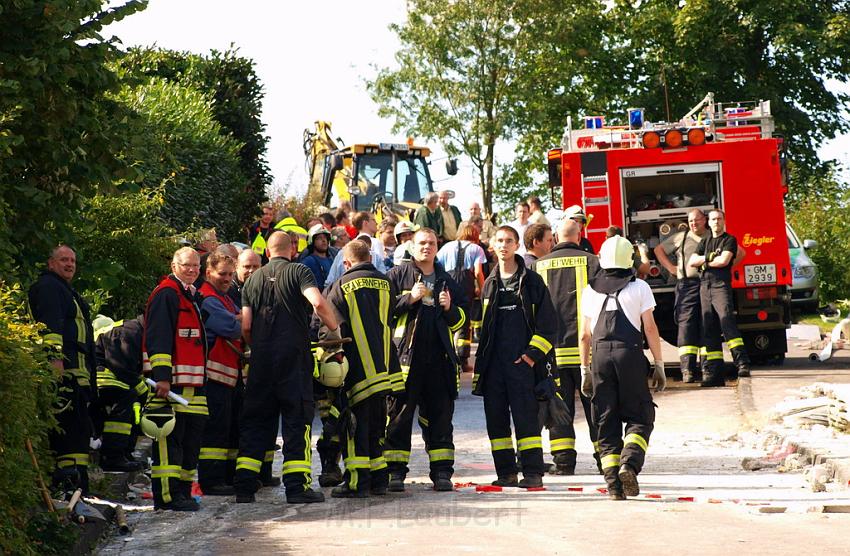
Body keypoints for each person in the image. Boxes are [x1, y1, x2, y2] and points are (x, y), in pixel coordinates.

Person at [235, 231, 340, 504]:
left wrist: (256, 345)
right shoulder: (299, 271)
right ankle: (296, 487)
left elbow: (245, 325)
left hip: (261, 362)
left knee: (256, 421)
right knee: (296, 421)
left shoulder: (251, 280)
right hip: (293, 360)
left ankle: (245, 486)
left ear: (267, 252)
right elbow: (317, 302)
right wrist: (334, 326)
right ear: (292, 249)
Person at [578, 235, 665, 500]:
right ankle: (630, 464)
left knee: (606, 420)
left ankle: (614, 487)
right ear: (630, 260)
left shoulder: (589, 290)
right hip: (630, 356)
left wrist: (584, 370)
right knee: (640, 415)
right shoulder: (640, 288)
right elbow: (649, 327)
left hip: (600, 360)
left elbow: (584, 336)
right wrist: (659, 365)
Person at [472, 226, 557, 489]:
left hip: (522, 365)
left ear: (518, 244)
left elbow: (548, 325)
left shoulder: (532, 282)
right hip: (494, 367)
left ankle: (532, 473)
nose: (504, 245)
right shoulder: (489, 283)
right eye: (499, 241)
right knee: (496, 424)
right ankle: (506, 472)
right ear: (493, 246)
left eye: (509, 240)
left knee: (526, 422)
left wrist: (531, 357)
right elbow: (483, 328)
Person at [384, 228, 467, 492]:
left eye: (431, 243)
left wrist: (450, 309)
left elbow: (462, 320)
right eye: (421, 243)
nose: (426, 247)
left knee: (441, 418)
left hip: (439, 360)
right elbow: (384, 311)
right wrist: (410, 298)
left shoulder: (447, 279)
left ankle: (442, 473)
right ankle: (395, 473)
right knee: (398, 417)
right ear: (411, 246)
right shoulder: (397, 275)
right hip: (406, 361)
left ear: (437, 247)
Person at [323, 240, 397, 497]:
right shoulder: (387, 282)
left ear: (346, 263)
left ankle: (357, 483)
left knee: (353, 428)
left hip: (357, 371)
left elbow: (332, 329)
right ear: (370, 258)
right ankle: (379, 481)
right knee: (377, 428)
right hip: (385, 369)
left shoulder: (341, 285)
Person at [533, 218, 601, 475]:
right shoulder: (592, 261)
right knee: (595, 407)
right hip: (588, 353)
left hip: (552, 354)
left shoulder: (538, 266)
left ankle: (563, 463)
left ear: (556, 237)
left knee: (559, 409)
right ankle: (605, 460)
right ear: (580, 234)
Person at [142, 247, 209, 511]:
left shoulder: (189, 296)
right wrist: (162, 377)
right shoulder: (167, 294)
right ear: (173, 266)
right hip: (172, 386)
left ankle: (183, 491)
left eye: (196, 266)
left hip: (193, 385)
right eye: (186, 266)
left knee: (190, 442)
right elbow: (159, 337)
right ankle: (168, 497)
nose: (192, 270)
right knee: (170, 442)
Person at [28, 245, 96, 493]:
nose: (69, 264)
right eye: (63, 259)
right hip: (65, 374)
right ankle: (68, 486)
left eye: (73, 261)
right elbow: (50, 326)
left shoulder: (65, 290)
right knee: (67, 434)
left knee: (78, 432)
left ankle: (79, 487)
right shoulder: (49, 287)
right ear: (51, 264)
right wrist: (54, 360)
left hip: (77, 374)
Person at [198, 252, 245, 496]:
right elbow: (236, 326)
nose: (227, 279)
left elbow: (241, 320)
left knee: (230, 427)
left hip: (228, 376)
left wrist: (239, 318)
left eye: (230, 274)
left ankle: (227, 476)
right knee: (216, 429)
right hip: (215, 377)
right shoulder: (208, 299)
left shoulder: (224, 298)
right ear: (209, 273)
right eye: (222, 274)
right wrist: (240, 320)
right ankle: (212, 480)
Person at [688, 209, 751, 386]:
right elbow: (691, 261)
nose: (716, 222)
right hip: (704, 287)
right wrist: (709, 258)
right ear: (708, 222)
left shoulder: (729, 240)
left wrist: (704, 262)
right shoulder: (704, 241)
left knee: (727, 322)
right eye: (713, 219)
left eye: (719, 219)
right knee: (709, 328)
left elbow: (723, 261)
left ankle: (742, 364)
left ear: (724, 221)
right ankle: (714, 373)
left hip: (720, 286)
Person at [654, 209, 709, 383]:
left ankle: (708, 368)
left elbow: (737, 251)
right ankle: (687, 370)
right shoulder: (681, 237)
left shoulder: (714, 237)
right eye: (691, 221)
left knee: (708, 323)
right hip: (687, 285)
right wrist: (671, 268)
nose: (693, 224)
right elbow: (659, 249)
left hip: (708, 284)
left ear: (704, 220)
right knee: (686, 325)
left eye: (697, 220)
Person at [93, 316, 147, 473]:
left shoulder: (133, 331)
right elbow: (120, 366)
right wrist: (143, 391)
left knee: (133, 405)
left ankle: (124, 454)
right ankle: (114, 457)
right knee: (127, 400)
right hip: (106, 379)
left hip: (113, 378)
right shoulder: (128, 332)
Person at [436, 221, 487, 372]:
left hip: (448, 281)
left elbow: (437, 265)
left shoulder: (446, 247)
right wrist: (482, 289)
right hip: (466, 284)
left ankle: (446, 355)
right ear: (475, 235)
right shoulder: (476, 249)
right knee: (464, 320)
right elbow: (478, 272)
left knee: (447, 316)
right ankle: (463, 360)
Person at [301, 224, 336, 290]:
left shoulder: (332, 260)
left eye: (325, 237)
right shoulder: (308, 262)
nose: (324, 240)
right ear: (311, 241)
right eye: (319, 238)